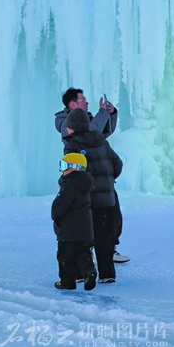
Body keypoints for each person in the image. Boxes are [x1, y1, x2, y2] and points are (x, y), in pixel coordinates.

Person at [55, 87, 128, 264]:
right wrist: (102, 112)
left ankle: (109, 249)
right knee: (86, 218)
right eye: (83, 99)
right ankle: (85, 256)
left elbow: (102, 132)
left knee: (112, 214)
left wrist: (111, 114)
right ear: (73, 103)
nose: (87, 102)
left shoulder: (86, 120)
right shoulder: (64, 122)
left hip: (101, 179)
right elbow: (92, 130)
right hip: (84, 181)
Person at [63, 108, 123, 284]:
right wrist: (108, 181)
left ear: (73, 127)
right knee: (104, 238)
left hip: (86, 200)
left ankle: (81, 273)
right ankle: (107, 274)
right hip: (106, 200)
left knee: (81, 237)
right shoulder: (101, 141)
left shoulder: (72, 145)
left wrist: (63, 183)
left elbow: (72, 171)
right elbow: (117, 163)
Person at [51, 151, 97, 291]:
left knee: (65, 255)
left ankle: (67, 281)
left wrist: (55, 215)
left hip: (69, 228)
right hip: (85, 227)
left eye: (64, 166)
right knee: (83, 252)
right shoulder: (85, 184)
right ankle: (89, 271)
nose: (62, 170)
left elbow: (60, 206)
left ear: (74, 167)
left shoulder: (70, 185)